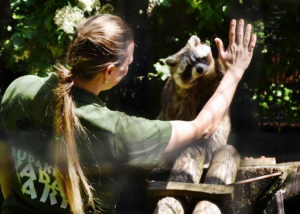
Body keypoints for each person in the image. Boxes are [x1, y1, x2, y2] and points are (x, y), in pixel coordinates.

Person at [0, 14, 256, 214]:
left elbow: (5, 166)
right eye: (128, 63)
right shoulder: (116, 130)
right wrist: (234, 72)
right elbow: (203, 127)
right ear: (109, 72)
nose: (130, 67)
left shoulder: (20, 88)